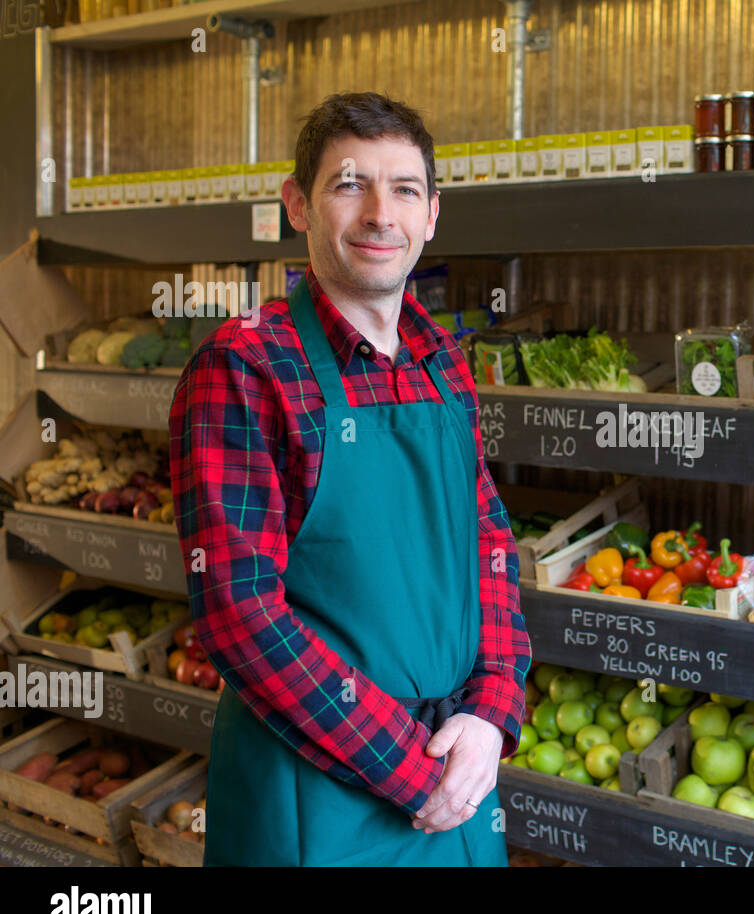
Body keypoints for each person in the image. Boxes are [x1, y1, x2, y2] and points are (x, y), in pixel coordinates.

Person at [168, 92, 531, 866]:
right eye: (348, 184)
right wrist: (411, 771)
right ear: (298, 204)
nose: (379, 214)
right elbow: (239, 616)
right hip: (318, 790)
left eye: (404, 189)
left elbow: (489, 545)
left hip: (458, 770)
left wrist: (493, 711)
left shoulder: (442, 362)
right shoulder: (244, 369)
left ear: (432, 214)